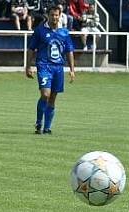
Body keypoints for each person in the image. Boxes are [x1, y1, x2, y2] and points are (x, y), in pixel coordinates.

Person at [25, 5, 75, 135]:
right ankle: (38, 122)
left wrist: (72, 69)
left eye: (56, 15)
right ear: (48, 15)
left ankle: (47, 127)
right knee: (45, 94)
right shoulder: (40, 31)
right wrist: (28, 66)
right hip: (43, 66)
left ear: (60, 16)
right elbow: (31, 49)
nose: (54, 17)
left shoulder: (64, 32)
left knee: (52, 98)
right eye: (52, 15)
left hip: (58, 68)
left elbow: (69, 51)